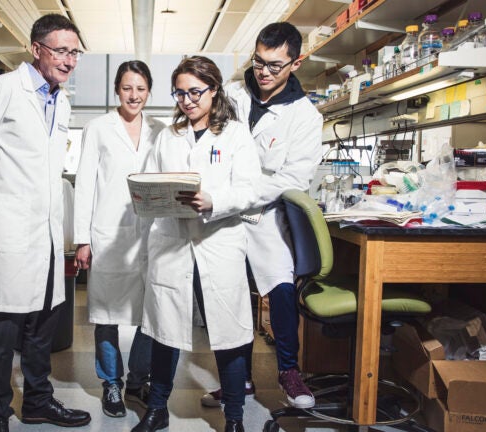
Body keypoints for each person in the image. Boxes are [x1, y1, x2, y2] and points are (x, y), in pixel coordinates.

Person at [0, 14, 91, 432]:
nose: (69, 60)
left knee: (43, 322)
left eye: (75, 52)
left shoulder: (61, 99)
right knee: (4, 330)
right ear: (36, 49)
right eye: (61, 50)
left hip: (47, 231)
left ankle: (37, 401)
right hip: (11, 225)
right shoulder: (3, 90)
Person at [132, 56, 261, 432]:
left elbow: (251, 190)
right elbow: (154, 181)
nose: (187, 100)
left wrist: (214, 202)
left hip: (218, 243)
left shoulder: (235, 134)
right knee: (164, 329)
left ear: (214, 90)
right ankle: (157, 410)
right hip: (172, 242)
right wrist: (146, 196)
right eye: (180, 93)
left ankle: (234, 417)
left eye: (195, 92)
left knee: (228, 332)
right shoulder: (168, 136)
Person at [200, 21, 323, 410]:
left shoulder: (305, 116)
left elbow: (293, 177)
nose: (264, 72)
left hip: (266, 215)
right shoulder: (233, 96)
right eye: (258, 62)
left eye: (274, 65)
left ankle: (289, 371)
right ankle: (240, 380)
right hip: (224, 214)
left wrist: (240, 196)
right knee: (226, 298)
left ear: (295, 63)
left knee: (281, 291)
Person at [73, 60, 165, 418]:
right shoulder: (97, 128)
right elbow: (84, 186)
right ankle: (111, 383)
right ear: (117, 90)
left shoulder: (161, 130)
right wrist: (83, 239)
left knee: (151, 311)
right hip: (108, 234)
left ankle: (138, 378)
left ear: (149, 92)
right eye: (128, 88)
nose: (134, 95)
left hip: (151, 233)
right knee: (106, 313)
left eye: (141, 89)